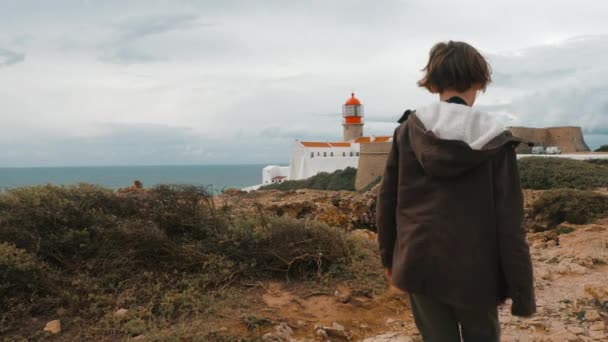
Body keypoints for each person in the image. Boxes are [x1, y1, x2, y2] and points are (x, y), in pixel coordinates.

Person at [376, 41, 536, 342]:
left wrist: (389, 259)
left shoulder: (409, 130)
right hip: (478, 270)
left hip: (419, 260)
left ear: (433, 83)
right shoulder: (496, 141)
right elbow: (511, 224)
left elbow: (387, 201)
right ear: (479, 80)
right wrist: (522, 293)